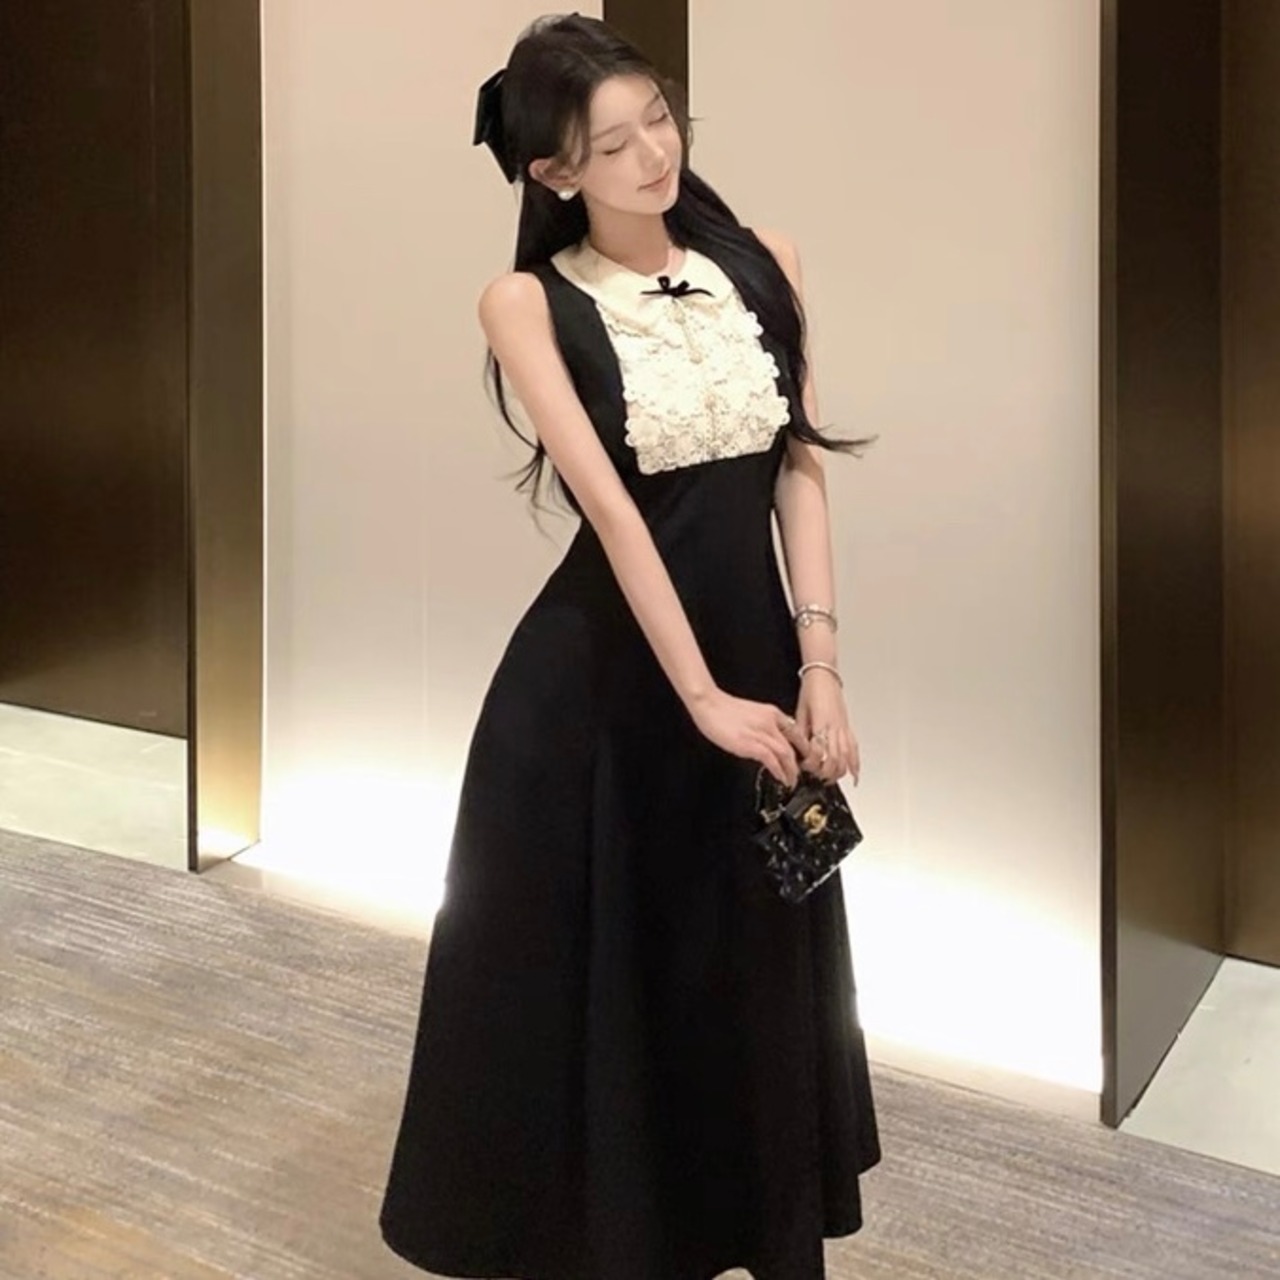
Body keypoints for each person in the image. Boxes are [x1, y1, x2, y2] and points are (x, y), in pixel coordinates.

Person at [379, 13, 880, 1280]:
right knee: (619, 982)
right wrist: (701, 694)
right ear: (556, 172)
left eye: (659, 118)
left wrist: (817, 665)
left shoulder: (763, 260)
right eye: (615, 145)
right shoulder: (524, 302)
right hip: (598, 689)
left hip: (753, 662)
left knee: (746, 970)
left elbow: (797, 469)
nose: (656, 154)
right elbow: (610, 513)